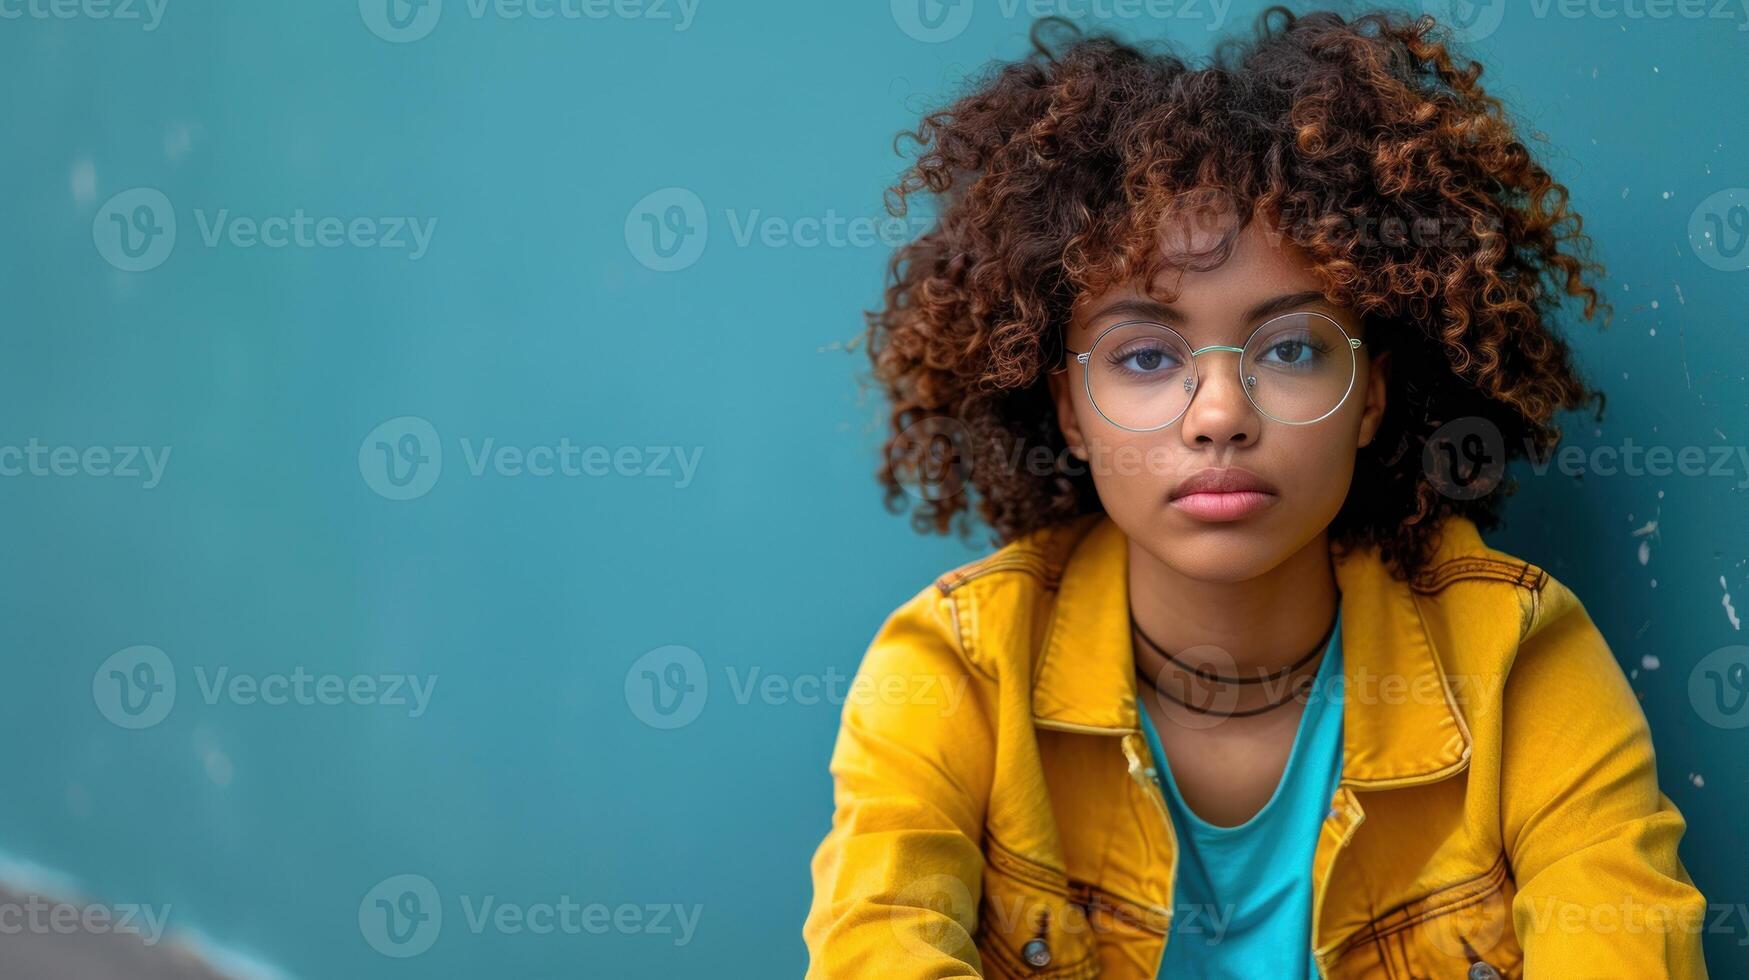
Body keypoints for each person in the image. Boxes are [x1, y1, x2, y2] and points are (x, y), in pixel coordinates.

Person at [802, 8, 1709, 979]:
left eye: (1291, 348)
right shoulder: (956, 670)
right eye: (1146, 355)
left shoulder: (1518, 659)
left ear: (1372, 396)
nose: (1220, 414)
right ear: (1067, 405)